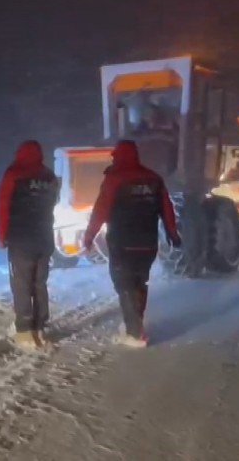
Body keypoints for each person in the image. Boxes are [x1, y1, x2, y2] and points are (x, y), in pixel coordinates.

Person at [82, 140, 182, 348]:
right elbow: (167, 208)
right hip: (147, 243)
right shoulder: (154, 179)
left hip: (122, 242)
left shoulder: (114, 179)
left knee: (124, 284)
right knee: (139, 283)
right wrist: (172, 233)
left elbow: (101, 210)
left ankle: (135, 332)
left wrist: (89, 236)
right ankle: (136, 324)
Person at [0, 140, 58, 349]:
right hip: (44, 238)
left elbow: (3, 205)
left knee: (21, 283)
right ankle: (40, 327)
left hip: (21, 239)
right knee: (39, 284)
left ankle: (24, 331)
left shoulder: (14, 173)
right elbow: (51, 203)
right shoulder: (49, 176)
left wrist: (2, 235)